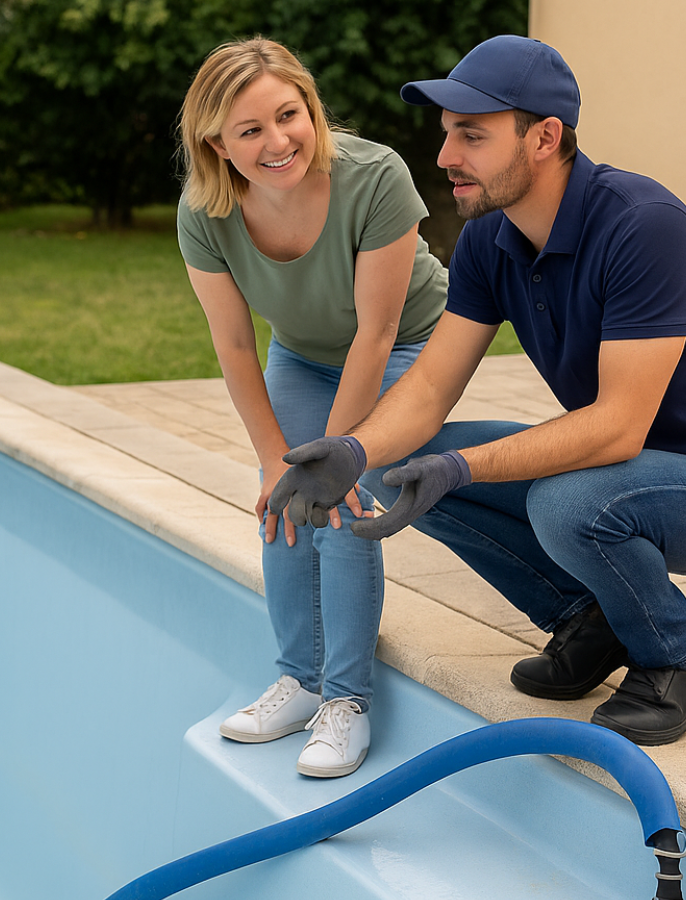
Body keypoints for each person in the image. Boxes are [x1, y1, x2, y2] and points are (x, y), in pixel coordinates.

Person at [267, 35, 686, 746]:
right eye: (448, 134)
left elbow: (618, 429)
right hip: (621, 472)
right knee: (401, 466)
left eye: (472, 136)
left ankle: (679, 652)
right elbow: (428, 388)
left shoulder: (644, 225)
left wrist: (461, 467)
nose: (446, 156)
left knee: (566, 502)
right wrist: (353, 452)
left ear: (545, 138)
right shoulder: (491, 236)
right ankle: (590, 618)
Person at [176, 37, 450, 776]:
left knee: (342, 495)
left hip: (407, 342)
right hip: (301, 350)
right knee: (283, 497)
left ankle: (348, 702)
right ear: (217, 143)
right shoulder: (204, 211)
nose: (278, 141)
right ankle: (299, 681)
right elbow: (235, 346)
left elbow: (380, 328)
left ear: (310, 106)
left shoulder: (374, 178)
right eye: (250, 130)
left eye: (288, 115)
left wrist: (333, 461)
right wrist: (275, 461)